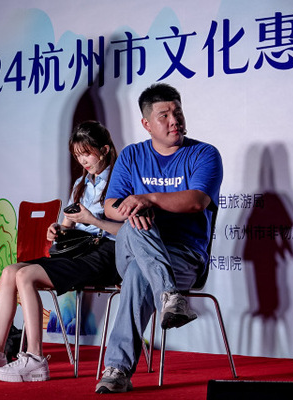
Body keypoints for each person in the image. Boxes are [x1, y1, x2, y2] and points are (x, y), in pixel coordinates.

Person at [0, 121, 122, 382]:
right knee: (9, 272)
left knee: (25, 275)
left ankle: (35, 358)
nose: (82, 161)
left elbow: (127, 231)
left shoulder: (120, 180)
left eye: (87, 153)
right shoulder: (81, 183)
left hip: (106, 254)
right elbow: (68, 223)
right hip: (78, 250)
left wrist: (92, 220)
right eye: (77, 155)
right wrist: (57, 229)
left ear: (104, 150)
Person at [95, 83, 223, 393]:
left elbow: (197, 201)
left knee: (139, 273)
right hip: (132, 250)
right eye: (164, 115)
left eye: (177, 113)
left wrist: (148, 199)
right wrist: (136, 207)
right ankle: (170, 296)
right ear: (147, 124)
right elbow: (110, 206)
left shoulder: (204, 154)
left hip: (184, 256)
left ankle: (117, 370)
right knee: (135, 223)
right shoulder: (132, 155)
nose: (174, 121)